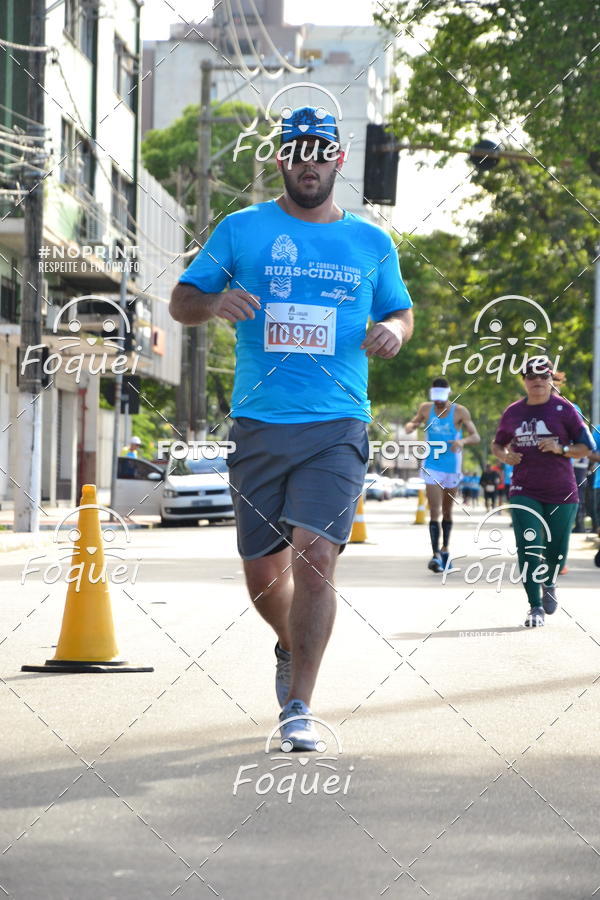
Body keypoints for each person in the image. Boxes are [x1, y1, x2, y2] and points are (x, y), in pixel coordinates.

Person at [169, 105, 414, 750]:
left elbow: (400, 311)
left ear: (338, 161)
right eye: (298, 153)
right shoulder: (242, 228)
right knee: (261, 573)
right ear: (282, 159)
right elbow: (181, 301)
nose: (310, 164)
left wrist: (394, 330)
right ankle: (288, 641)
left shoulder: (371, 242)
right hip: (259, 422)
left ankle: (300, 705)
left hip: (338, 421)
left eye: (321, 153)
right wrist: (214, 301)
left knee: (316, 556)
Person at [491, 357, 593, 627]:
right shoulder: (513, 412)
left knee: (556, 551)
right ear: (524, 380)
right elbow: (497, 444)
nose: (537, 380)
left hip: (561, 490)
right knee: (528, 546)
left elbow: (587, 448)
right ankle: (534, 606)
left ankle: (550, 582)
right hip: (524, 489)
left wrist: (562, 449)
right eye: (531, 376)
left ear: (551, 379)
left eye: (543, 375)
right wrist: (505, 456)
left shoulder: (565, 409)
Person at [405, 376, 480, 573]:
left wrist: (462, 441)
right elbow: (412, 423)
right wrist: (411, 426)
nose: (438, 401)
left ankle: (445, 549)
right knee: (434, 511)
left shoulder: (460, 411)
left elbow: (476, 436)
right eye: (435, 397)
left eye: (441, 397)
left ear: (448, 394)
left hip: (452, 467)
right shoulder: (425, 409)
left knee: (447, 512)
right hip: (432, 465)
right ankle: (435, 555)